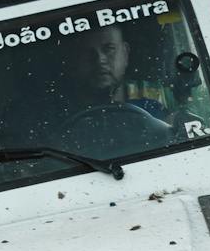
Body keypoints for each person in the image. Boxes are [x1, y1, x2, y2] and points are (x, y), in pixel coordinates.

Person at [50, 24, 173, 158]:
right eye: (87, 52)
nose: (100, 59)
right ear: (73, 61)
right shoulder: (57, 123)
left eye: (109, 49)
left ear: (125, 53)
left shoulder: (153, 111)